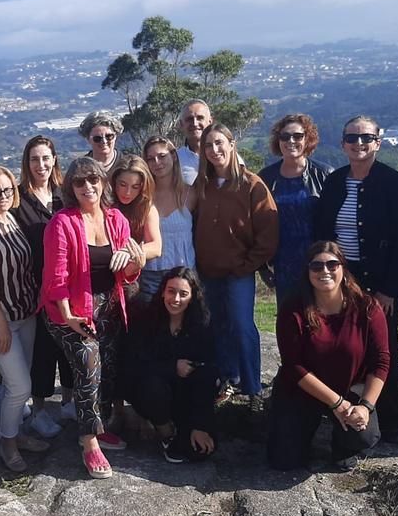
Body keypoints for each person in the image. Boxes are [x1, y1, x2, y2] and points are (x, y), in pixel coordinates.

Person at [315, 116, 398, 443]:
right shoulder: (334, 182)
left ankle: (392, 421)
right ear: (343, 143)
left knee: (383, 349)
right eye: (352, 138)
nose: (359, 144)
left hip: (381, 281)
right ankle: (344, 413)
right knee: (344, 345)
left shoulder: (394, 183)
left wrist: (389, 290)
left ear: (378, 142)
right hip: (342, 280)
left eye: (366, 138)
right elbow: (323, 235)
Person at [42, 157, 142, 479]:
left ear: (103, 184)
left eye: (93, 180)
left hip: (108, 306)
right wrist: (70, 316)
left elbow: (126, 276)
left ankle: (99, 427)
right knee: (88, 362)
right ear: (71, 188)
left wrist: (132, 262)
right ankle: (89, 443)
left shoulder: (116, 220)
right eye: (80, 182)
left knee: (108, 366)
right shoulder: (63, 222)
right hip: (68, 309)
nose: (88, 187)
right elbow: (55, 276)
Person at [269, 241, 388, 471]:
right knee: (284, 460)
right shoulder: (293, 308)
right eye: (316, 266)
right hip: (302, 390)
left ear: (343, 269)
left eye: (332, 265)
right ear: (307, 272)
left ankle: (341, 445)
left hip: (350, 389)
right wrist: (337, 403)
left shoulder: (367, 307)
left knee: (362, 437)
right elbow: (294, 366)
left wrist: (365, 406)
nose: (325, 271)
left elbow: (381, 361)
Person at [193, 123, 279, 399]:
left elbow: (268, 233)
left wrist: (247, 265)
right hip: (207, 272)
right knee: (218, 325)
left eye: (220, 143)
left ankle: (253, 388)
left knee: (242, 327)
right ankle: (227, 378)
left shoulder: (252, 184)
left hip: (239, 272)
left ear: (232, 145)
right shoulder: (201, 185)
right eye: (208, 145)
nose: (214, 150)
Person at [0, 166, 49, 471]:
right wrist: (1, 324)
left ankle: (17, 434)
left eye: (6, 190)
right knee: (20, 386)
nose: (2, 196)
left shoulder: (13, 221)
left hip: (26, 314)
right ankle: (7, 443)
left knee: (20, 383)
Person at [123, 268, 219, 463]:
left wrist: (199, 425)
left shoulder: (202, 324)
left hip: (186, 397)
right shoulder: (146, 319)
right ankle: (165, 431)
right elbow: (134, 366)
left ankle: (185, 431)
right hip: (151, 393)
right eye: (171, 291)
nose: (175, 299)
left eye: (183, 294)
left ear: (192, 296)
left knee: (199, 452)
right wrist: (173, 367)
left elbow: (208, 372)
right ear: (162, 292)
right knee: (152, 385)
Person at [14, 134, 73, 437]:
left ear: (54, 160)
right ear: (27, 162)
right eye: (35, 159)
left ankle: (69, 399)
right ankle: (38, 408)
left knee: (68, 344)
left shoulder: (65, 194)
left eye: (46, 158)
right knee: (41, 350)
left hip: (65, 284)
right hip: (34, 287)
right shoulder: (17, 198)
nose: (41, 164)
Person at [257, 115, 332, 304]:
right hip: (283, 264)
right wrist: (263, 268)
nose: (291, 141)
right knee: (288, 321)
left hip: (319, 262)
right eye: (284, 136)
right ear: (278, 140)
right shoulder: (266, 178)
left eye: (297, 136)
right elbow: (255, 224)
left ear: (307, 139)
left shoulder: (325, 175)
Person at [140, 136, 197, 300]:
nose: (157, 162)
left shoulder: (190, 194)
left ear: (173, 156)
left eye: (162, 156)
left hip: (184, 275)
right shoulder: (143, 196)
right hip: (150, 275)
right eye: (151, 159)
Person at [110, 154, 162, 294]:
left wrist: (128, 252)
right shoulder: (104, 205)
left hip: (131, 277)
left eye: (135, 187)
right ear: (114, 181)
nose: (127, 192)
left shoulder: (147, 208)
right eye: (123, 185)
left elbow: (156, 247)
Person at [177, 99, 213, 184]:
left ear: (210, 122)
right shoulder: (175, 160)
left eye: (200, 118)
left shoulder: (224, 156)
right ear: (181, 124)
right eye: (189, 119)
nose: (195, 123)